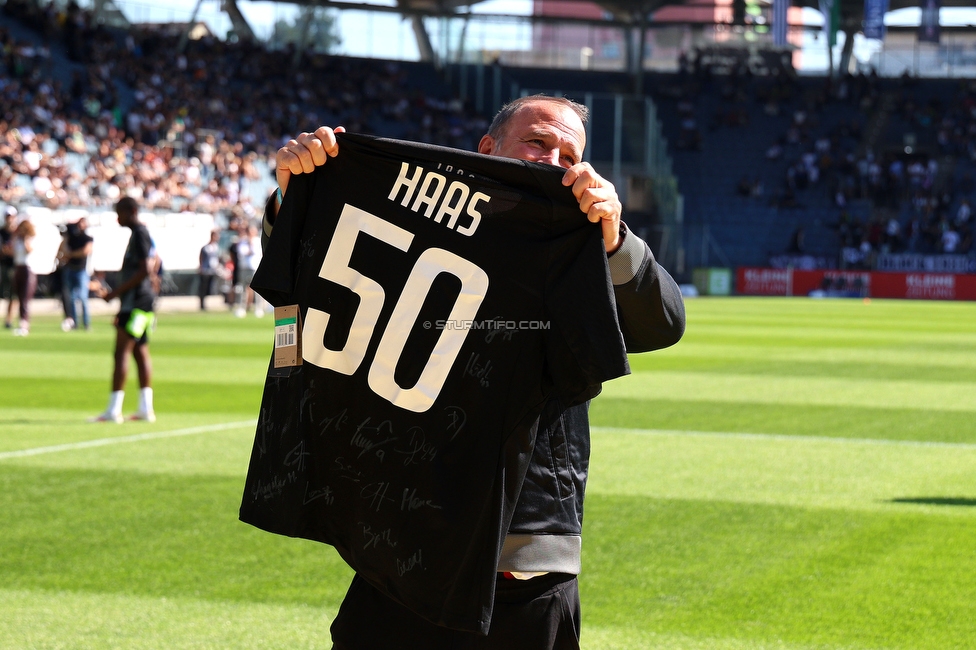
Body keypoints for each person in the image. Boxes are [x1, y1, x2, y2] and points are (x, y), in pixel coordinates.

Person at [265, 95, 685, 649]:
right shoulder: (411, 211)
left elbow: (663, 322)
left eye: (568, 153)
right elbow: (310, 272)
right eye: (537, 141)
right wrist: (298, 194)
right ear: (487, 148)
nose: (553, 160)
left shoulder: (582, 238)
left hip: (523, 559)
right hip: (404, 537)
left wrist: (613, 239)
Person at [89, 197, 157, 424]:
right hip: (143, 302)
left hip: (135, 303)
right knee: (140, 351)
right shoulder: (140, 234)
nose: (118, 217)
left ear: (132, 211)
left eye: (121, 212)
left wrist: (114, 293)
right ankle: (146, 409)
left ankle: (113, 410)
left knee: (121, 353)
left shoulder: (139, 234)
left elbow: (144, 270)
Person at [58, 216, 94, 331]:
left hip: (81, 270)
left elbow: (85, 252)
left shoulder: (88, 238)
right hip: (70, 269)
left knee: (83, 297)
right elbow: (62, 248)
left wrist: (71, 255)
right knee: (72, 298)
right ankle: (74, 323)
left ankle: (86, 323)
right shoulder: (72, 238)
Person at [4, 217, 36, 336]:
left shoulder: (30, 238)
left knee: (25, 298)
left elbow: (29, 250)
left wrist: (25, 239)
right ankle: (22, 322)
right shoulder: (16, 239)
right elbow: (11, 251)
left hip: (28, 269)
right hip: (18, 268)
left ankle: (24, 324)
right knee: (18, 297)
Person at [197, 229, 221, 310]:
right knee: (203, 287)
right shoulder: (206, 247)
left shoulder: (216, 247)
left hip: (213, 270)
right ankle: (202, 304)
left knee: (210, 287)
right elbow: (201, 258)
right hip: (206, 270)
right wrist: (201, 267)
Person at [0, 206, 16, 329]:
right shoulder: (1, 232)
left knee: (13, 295)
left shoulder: (17, 232)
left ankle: (9, 319)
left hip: (13, 266)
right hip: (2, 265)